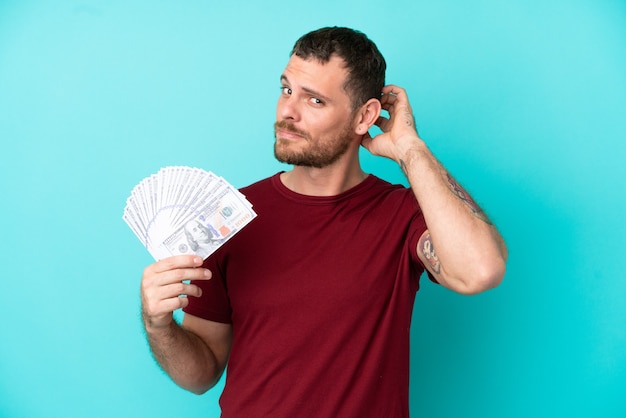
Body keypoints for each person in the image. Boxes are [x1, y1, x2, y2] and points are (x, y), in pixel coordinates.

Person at [140, 27, 507, 417]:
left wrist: (410, 150)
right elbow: (200, 375)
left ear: (364, 116)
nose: (288, 112)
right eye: (286, 90)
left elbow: (480, 270)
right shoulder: (228, 216)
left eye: (314, 99)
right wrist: (158, 325)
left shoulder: (402, 214)